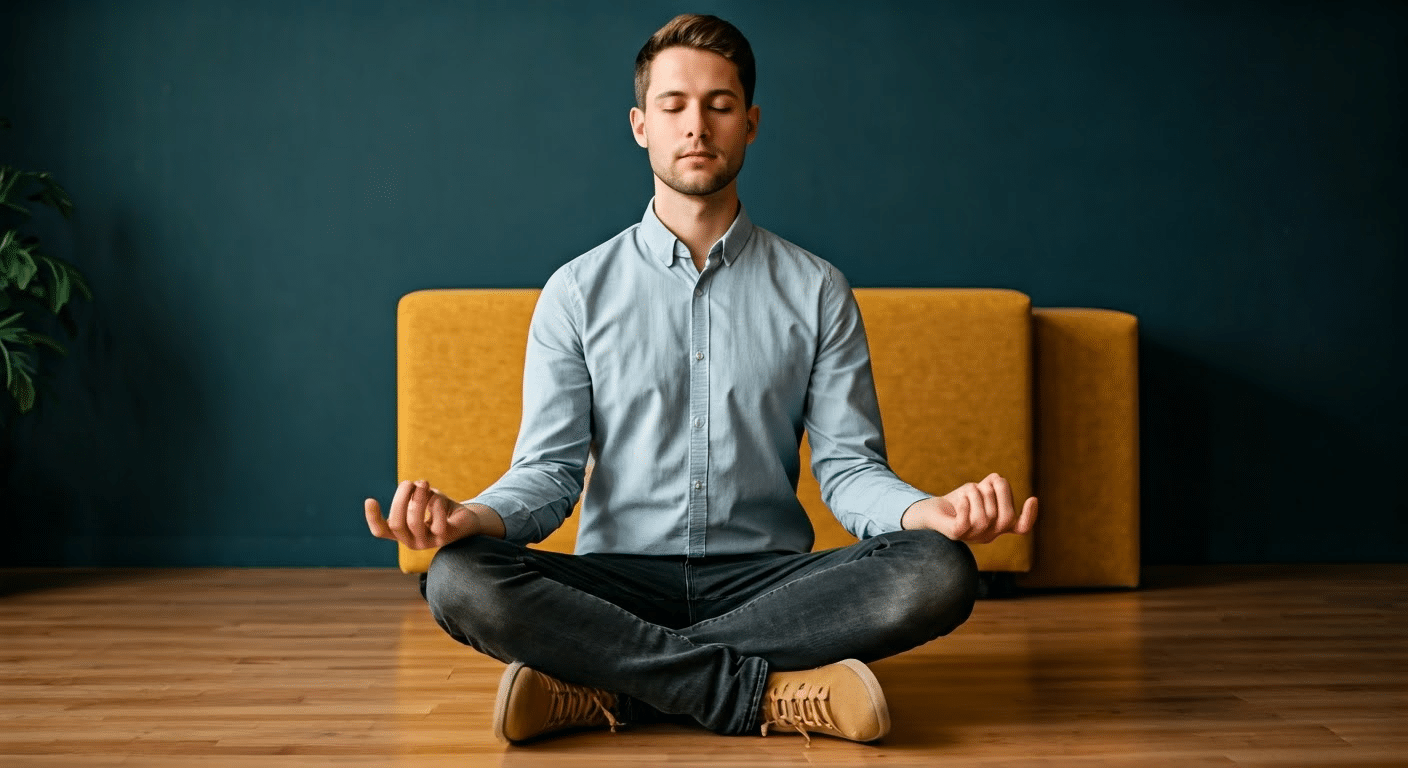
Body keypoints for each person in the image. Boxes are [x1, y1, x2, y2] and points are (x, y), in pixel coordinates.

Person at [365, 13, 1036, 746]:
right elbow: (549, 475)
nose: (697, 126)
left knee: (939, 569)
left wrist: (924, 511)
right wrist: (473, 518)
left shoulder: (817, 289)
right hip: (615, 584)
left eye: (719, 105)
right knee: (457, 577)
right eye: (673, 105)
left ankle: (607, 687)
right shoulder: (576, 291)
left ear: (750, 123)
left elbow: (849, 471)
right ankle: (765, 693)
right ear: (640, 125)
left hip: (770, 584)